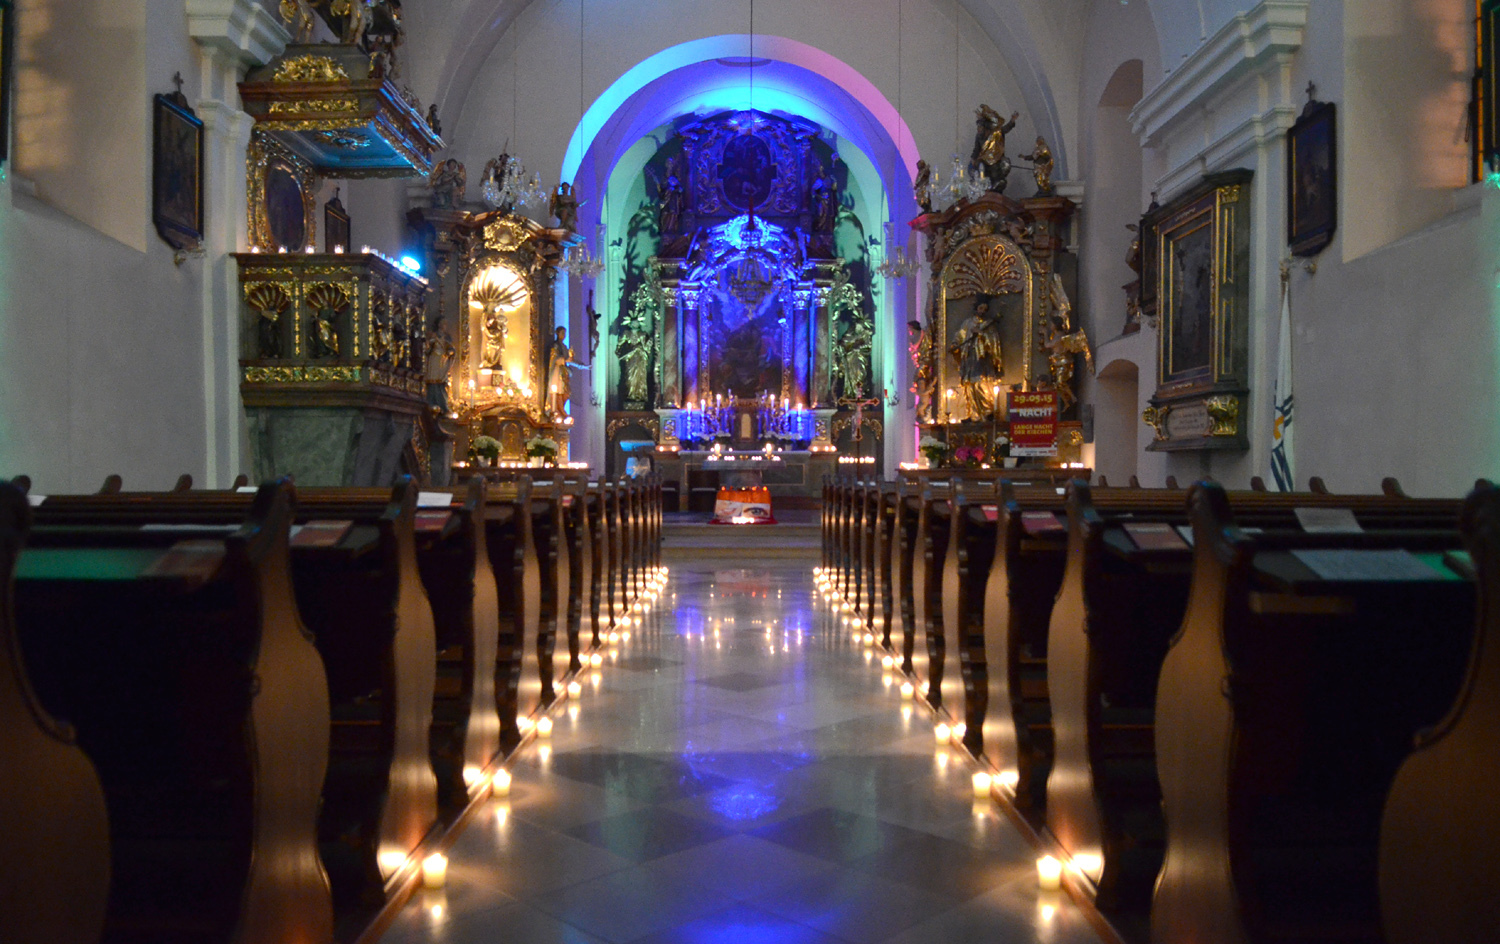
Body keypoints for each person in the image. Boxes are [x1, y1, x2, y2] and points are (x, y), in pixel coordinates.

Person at [950, 300, 1004, 418]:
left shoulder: (989, 324)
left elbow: (993, 341)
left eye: (985, 309)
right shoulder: (967, 323)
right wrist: (955, 344)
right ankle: (973, 414)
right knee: (969, 384)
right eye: (981, 308)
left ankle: (986, 411)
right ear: (976, 308)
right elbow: (960, 335)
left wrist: (980, 333)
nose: (982, 311)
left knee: (980, 382)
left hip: (982, 357)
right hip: (969, 356)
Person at [425, 316, 457, 412]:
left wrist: (450, 352)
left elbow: (451, 349)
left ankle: (443, 403)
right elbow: (427, 348)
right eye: (443, 323)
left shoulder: (447, 337)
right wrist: (429, 345)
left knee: (442, 381)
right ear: (439, 324)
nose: (444, 325)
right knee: (432, 380)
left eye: (445, 324)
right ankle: (430, 402)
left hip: (443, 360)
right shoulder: (433, 335)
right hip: (433, 359)